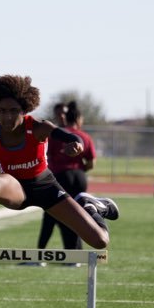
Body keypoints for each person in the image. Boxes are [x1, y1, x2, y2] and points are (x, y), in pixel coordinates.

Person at [0, 75, 119, 251]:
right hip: (16, 188)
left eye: (14, 111)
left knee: (100, 241)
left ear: (24, 110)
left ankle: (91, 206)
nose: (8, 117)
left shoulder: (38, 127)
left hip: (46, 188)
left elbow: (68, 136)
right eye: (2, 111)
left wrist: (75, 145)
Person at [29, 101, 97, 267]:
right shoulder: (84, 136)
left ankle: (42, 256)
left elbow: (46, 157)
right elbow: (91, 163)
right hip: (80, 177)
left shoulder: (57, 135)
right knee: (77, 214)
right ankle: (75, 256)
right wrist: (79, 168)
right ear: (78, 118)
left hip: (60, 176)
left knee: (52, 215)